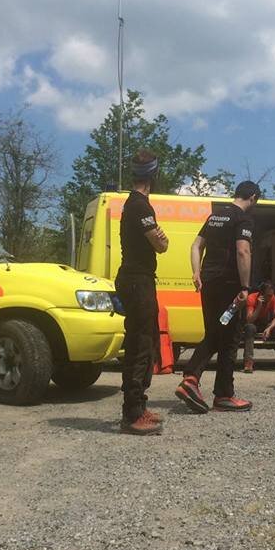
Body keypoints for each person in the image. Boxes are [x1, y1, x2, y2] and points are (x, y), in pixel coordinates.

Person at [176, 181, 261, 413]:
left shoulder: (215, 216)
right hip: (229, 286)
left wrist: (196, 272)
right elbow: (243, 250)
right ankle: (221, 394)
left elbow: (196, 246)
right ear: (253, 197)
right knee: (231, 338)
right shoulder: (243, 219)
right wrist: (245, 287)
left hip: (209, 283)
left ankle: (193, 381)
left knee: (215, 334)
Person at [115, 150, 169, 435]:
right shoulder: (140, 206)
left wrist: (160, 239)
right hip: (138, 281)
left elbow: (158, 241)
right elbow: (160, 245)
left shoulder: (135, 205)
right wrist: (161, 239)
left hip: (137, 279)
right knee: (139, 345)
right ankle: (132, 414)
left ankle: (139, 405)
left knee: (145, 345)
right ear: (153, 175)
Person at [240, 281, 275, 373]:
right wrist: (259, 306)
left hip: (265, 324)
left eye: (271, 295)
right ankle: (248, 362)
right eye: (268, 295)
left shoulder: (273, 298)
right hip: (254, 323)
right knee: (249, 328)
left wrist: (269, 328)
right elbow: (249, 319)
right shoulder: (252, 298)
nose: (270, 297)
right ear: (261, 294)